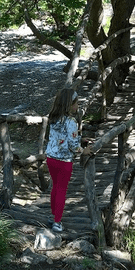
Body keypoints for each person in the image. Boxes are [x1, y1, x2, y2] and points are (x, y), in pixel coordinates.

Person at [45, 88, 91, 232]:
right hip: (64, 161)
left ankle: (53, 215)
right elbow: (72, 145)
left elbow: (62, 137)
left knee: (55, 187)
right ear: (69, 105)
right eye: (76, 103)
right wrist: (84, 150)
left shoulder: (54, 118)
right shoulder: (71, 121)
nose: (77, 106)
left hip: (51, 158)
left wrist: (79, 138)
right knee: (62, 190)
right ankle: (57, 222)